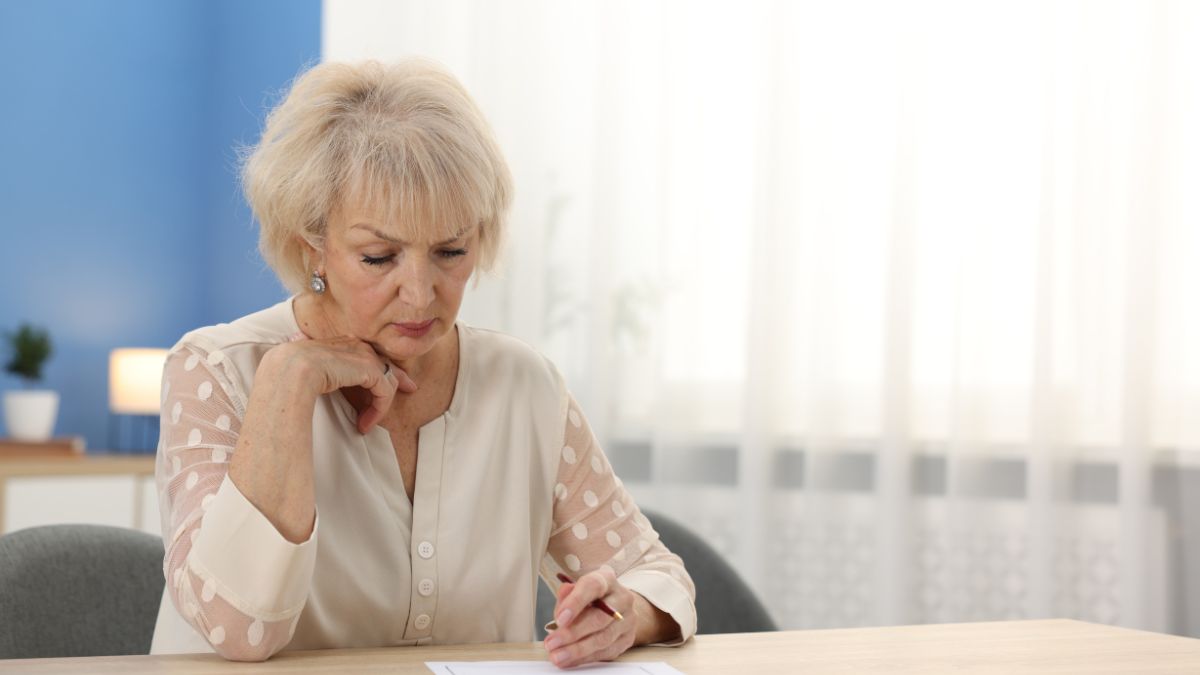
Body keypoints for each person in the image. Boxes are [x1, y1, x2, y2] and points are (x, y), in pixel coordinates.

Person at [149, 59, 696, 667]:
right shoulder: (213, 371)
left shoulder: (523, 385)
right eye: (380, 257)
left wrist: (623, 616)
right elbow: (236, 628)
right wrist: (288, 380)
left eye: (450, 251)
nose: (419, 292)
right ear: (314, 246)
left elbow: (653, 576)